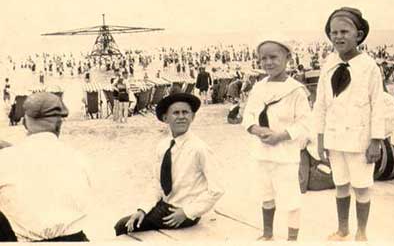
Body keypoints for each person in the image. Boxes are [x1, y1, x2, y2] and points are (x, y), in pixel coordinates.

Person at [314, 7, 385, 241]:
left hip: (360, 140)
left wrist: (376, 141)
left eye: (345, 31)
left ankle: (362, 232)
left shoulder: (369, 67)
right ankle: (342, 228)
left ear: (359, 34)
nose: (338, 37)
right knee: (341, 184)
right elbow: (321, 104)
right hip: (335, 139)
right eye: (334, 32)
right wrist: (321, 139)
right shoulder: (328, 64)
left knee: (362, 186)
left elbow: (378, 105)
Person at [114, 92, 224, 236]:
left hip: (183, 212)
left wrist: (188, 212)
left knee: (122, 227)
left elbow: (217, 189)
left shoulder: (199, 148)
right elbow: (158, 183)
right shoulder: (163, 146)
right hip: (165, 205)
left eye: (185, 112)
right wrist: (143, 210)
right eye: (175, 113)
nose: (181, 117)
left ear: (193, 117)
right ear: (166, 118)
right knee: (127, 223)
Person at [242, 40, 312, 241]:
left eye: (274, 57)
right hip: (261, 152)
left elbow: (305, 123)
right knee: (265, 194)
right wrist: (257, 129)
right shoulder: (258, 87)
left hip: (286, 154)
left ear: (287, 58)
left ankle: (292, 238)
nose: (268, 62)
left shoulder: (296, 89)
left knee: (291, 198)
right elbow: (248, 116)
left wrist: (280, 135)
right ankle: (267, 233)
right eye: (263, 58)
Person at [0, 92, 91, 242]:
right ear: (59, 125)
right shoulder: (79, 158)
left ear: (24, 123)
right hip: (76, 240)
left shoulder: (5, 159)